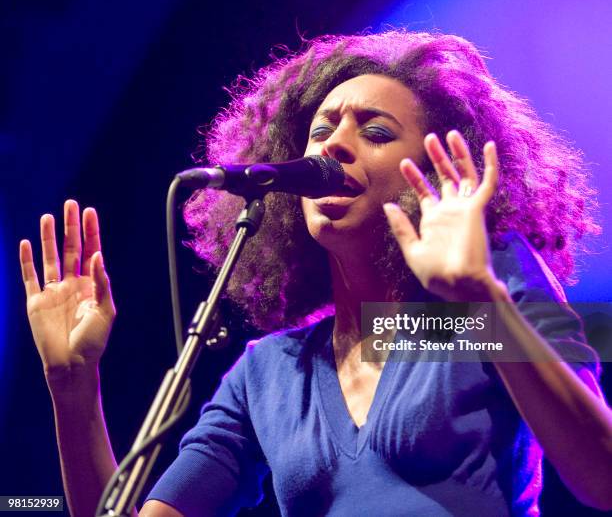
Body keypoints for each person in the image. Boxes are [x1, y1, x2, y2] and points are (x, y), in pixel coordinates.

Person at [19, 31, 612, 516]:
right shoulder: (272, 373)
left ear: (430, 170)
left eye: (375, 132)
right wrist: (73, 385)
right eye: (321, 131)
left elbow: (602, 476)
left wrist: (480, 296)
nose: (335, 147)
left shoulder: (478, 309)